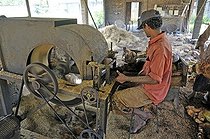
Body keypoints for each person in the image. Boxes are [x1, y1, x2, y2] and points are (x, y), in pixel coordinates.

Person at [112, 9, 173, 134]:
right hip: (152, 85)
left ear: (146, 25)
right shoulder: (159, 40)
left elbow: (154, 79)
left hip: (154, 90)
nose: (144, 31)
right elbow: (151, 58)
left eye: (143, 28)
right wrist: (136, 54)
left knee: (116, 98)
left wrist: (127, 78)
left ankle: (143, 115)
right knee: (124, 86)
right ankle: (140, 111)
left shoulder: (160, 48)